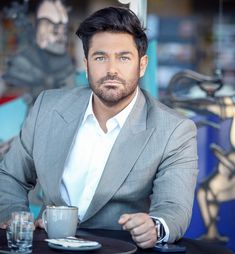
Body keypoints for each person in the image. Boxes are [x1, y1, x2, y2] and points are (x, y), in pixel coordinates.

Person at [0, 6, 198, 249]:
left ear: (142, 64)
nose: (111, 69)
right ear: (86, 63)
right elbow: (10, 175)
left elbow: (174, 207)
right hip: (47, 245)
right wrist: (16, 216)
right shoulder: (48, 107)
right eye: (100, 57)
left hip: (119, 247)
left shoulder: (174, 130)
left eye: (124, 58)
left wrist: (154, 227)